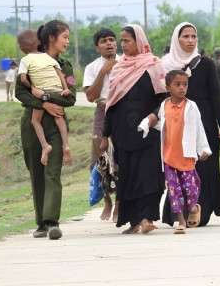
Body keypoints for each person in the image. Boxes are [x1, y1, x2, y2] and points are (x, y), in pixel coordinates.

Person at [160, 22, 220, 227]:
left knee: (204, 169)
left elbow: (216, 97)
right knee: (177, 170)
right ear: (176, 39)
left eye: (193, 36)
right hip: (175, 128)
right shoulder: (166, 66)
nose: (190, 41)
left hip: (204, 125)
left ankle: (202, 210)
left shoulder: (206, 64)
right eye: (185, 36)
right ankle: (178, 214)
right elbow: (160, 99)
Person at [100, 24, 167, 234]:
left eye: (127, 40)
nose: (123, 44)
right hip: (123, 133)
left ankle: (147, 218)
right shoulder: (119, 67)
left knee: (148, 175)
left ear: (139, 41)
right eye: (122, 41)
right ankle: (133, 221)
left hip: (148, 131)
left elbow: (164, 99)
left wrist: (154, 116)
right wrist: (105, 134)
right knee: (127, 176)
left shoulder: (154, 65)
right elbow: (111, 104)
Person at [14, 20, 76, 240]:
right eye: (65, 37)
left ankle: (52, 222)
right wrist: (44, 104)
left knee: (52, 173)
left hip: (57, 123)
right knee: (37, 174)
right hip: (32, 123)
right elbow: (20, 93)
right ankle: (40, 222)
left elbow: (72, 98)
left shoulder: (66, 67)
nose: (68, 41)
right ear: (51, 38)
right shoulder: (30, 62)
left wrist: (46, 97)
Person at [148, 69, 211, 234]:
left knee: (190, 189)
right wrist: (147, 124)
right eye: (177, 85)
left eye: (185, 84)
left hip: (186, 157)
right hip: (169, 157)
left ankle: (194, 206)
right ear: (168, 87)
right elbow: (164, 126)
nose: (182, 88)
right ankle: (181, 222)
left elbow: (198, 128)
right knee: (174, 191)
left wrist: (203, 149)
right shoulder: (164, 105)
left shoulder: (191, 107)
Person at [17, 29, 72, 166]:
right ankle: (66, 145)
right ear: (40, 43)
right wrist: (65, 89)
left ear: (21, 48)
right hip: (57, 90)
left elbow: (23, 80)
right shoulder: (49, 58)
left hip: (42, 92)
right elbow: (60, 74)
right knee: (59, 118)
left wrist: (32, 88)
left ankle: (45, 146)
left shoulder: (25, 60)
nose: (67, 41)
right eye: (65, 37)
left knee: (35, 121)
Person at [83, 27, 120, 222]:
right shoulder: (92, 68)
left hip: (122, 111)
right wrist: (104, 72)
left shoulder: (126, 63)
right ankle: (107, 200)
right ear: (97, 47)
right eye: (104, 41)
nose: (109, 44)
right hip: (102, 110)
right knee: (98, 158)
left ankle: (120, 204)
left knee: (122, 157)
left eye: (112, 40)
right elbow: (90, 96)